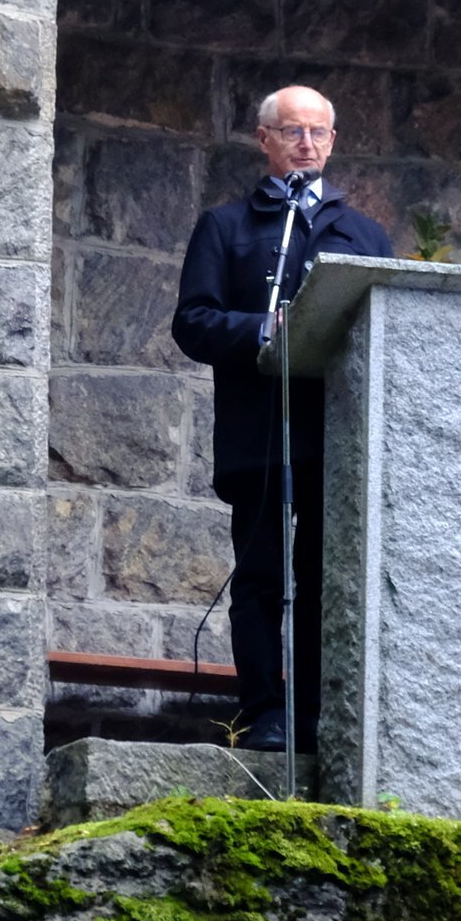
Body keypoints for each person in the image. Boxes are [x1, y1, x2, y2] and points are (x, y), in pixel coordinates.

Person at [172, 85, 392, 752]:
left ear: (332, 141)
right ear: (263, 139)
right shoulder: (227, 226)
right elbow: (193, 323)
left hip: (335, 433)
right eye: (293, 131)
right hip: (259, 431)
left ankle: (320, 716)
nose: (306, 143)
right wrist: (263, 329)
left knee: (327, 580)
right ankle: (265, 712)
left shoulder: (364, 234)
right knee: (262, 576)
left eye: (318, 132)